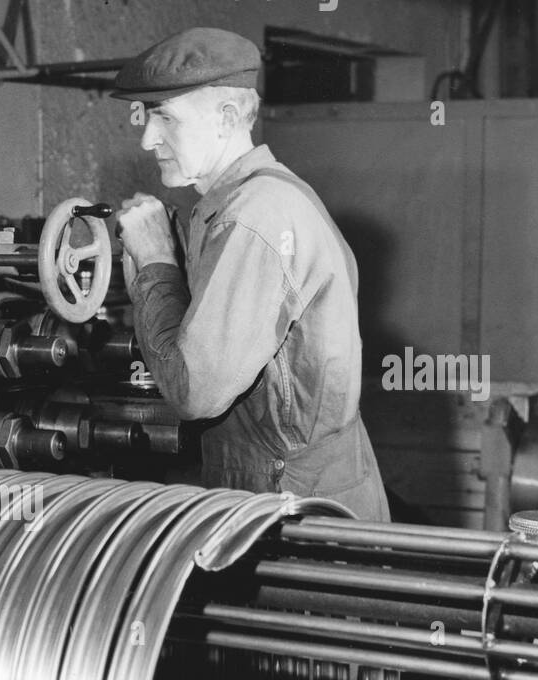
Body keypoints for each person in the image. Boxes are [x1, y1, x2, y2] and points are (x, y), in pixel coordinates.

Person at [112, 27, 389, 520]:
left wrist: (156, 263)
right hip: (288, 488)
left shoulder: (254, 216)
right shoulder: (243, 202)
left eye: (164, 117)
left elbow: (193, 391)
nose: (147, 138)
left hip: (292, 505)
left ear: (226, 118)